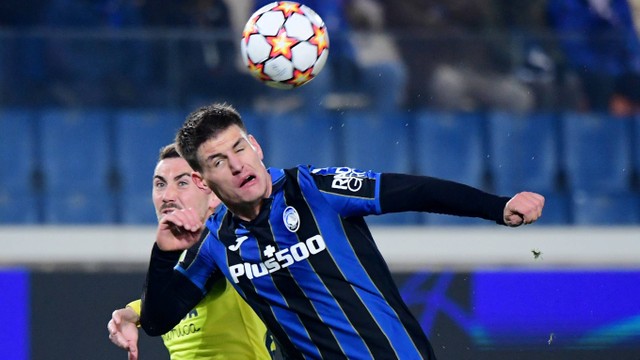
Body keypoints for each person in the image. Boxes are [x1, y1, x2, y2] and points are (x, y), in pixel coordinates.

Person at [139, 103, 545, 359]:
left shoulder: (315, 187)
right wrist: (164, 254)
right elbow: (159, 320)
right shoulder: (213, 242)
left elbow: (416, 190)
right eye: (219, 161)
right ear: (204, 180)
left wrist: (498, 206)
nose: (238, 165)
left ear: (256, 146)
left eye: (240, 148)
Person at [107, 143, 274, 360]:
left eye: (183, 183)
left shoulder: (229, 244)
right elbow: (179, 290)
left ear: (214, 194)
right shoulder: (175, 259)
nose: (167, 195)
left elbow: (192, 282)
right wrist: (134, 313)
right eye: (160, 184)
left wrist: (139, 313)